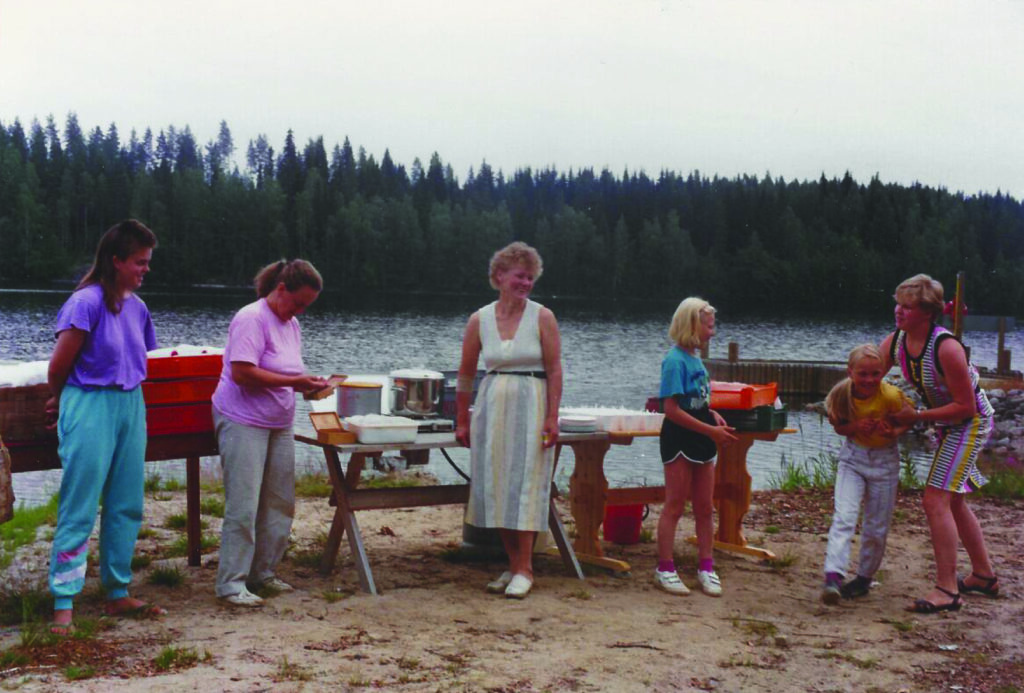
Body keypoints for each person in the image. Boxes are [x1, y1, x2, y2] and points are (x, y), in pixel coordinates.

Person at [46, 219, 163, 635]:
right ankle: (63, 599)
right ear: (116, 261)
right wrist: (60, 401)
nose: (145, 269)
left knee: (127, 501)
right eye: (138, 262)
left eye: (147, 262)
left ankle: (117, 591)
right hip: (90, 402)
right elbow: (59, 365)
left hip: (130, 404)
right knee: (80, 503)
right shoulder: (86, 302)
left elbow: (139, 357)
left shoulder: (137, 307)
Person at [213, 259, 328, 607]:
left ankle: (263, 573)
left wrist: (309, 388)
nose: (300, 311)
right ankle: (231, 583)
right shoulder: (251, 318)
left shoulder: (290, 325)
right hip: (242, 419)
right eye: (297, 302)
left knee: (279, 502)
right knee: (244, 505)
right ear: (280, 289)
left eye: (306, 306)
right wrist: (295, 382)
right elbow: (243, 373)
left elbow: (288, 372)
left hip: (279, 422)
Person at [881, 274, 999, 613]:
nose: (899, 312)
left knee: (936, 501)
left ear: (928, 313)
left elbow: (966, 407)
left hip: (970, 422)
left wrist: (914, 417)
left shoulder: (946, 347)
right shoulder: (896, 342)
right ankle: (983, 576)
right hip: (946, 422)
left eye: (908, 307)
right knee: (955, 503)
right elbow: (868, 370)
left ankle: (948, 590)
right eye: (897, 303)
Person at [455, 241, 562, 599]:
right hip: (492, 407)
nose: (526, 283)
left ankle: (525, 569)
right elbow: (466, 375)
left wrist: (552, 416)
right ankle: (514, 565)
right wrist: (462, 420)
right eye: (520, 276)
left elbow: (555, 369)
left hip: (532, 404)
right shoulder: (479, 320)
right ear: (500, 276)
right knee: (497, 485)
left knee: (525, 486)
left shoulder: (542, 317)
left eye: (531, 278)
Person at [654, 298, 736, 597]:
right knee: (675, 505)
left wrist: (711, 414)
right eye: (709, 325)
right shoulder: (674, 361)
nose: (712, 332)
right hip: (679, 439)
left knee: (704, 507)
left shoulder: (697, 361)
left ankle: (706, 565)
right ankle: (665, 567)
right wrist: (710, 430)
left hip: (703, 437)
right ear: (691, 325)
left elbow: (697, 400)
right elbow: (672, 409)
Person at [821, 344, 912, 605]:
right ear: (850, 372)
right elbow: (839, 427)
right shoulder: (841, 394)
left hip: (885, 461)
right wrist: (856, 426)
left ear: (882, 372)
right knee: (845, 516)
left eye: (875, 374)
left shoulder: (891, 396)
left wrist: (893, 431)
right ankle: (833, 576)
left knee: (876, 525)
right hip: (854, 458)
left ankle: (864, 577)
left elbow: (911, 418)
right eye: (863, 374)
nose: (869, 380)